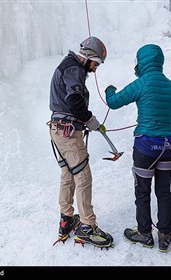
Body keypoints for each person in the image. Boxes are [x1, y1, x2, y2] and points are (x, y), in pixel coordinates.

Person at [105, 44, 171, 253]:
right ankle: (165, 236)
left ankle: (145, 233)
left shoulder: (141, 83)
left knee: (142, 191)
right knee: (164, 192)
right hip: (168, 147)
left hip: (146, 147)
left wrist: (109, 89)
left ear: (142, 62)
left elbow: (113, 102)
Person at [48, 36, 113, 249]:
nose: (95, 69)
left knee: (68, 174)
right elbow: (74, 100)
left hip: (58, 129)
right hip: (68, 131)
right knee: (83, 175)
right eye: (96, 63)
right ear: (89, 57)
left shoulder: (69, 66)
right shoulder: (74, 68)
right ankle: (86, 226)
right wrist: (90, 120)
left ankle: (66, 220)